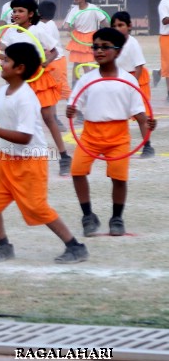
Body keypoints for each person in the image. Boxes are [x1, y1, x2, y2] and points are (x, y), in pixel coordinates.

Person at [0, 43, 88, 264]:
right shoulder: (4, 91)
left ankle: (75, 246)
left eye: (6, 61)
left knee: (37, 207)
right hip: (6, 159)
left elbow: (25, 137)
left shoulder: (25, 98)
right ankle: (3, 246)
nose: (1, 64)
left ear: (20, 68)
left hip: (30, 161)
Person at [67, 28, 154, 238]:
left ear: (118, 50)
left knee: (119, 178)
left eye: (105, 47)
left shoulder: (128, 80)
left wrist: (147, 129)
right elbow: (74, 105)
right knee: (77, 171)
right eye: (95, 47)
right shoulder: (87, 80)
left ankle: (117, 217)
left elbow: (139, 113)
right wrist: (71, 110)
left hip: (118, 136)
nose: (99, 51)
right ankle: (88, 215)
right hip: (90, 134)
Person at [0, 0, 72, 176]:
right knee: (19, 119)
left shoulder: (38, 31)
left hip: (39, 78)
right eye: (14, 11)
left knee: (48, 117)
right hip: (20, 80)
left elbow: (54, 50)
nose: (16, 14)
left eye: (20, 11)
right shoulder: (11, 33)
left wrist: (46, 62)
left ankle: (64, 156)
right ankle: (22, 156)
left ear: (31, 14)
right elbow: (11, 57)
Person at [110, 11, 155, 158]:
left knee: (141, 116)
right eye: (114, 26)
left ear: (129, 26)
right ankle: (113, 144)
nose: (117, 28)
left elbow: (139, 66)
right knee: (115, 115)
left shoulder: (132, 43)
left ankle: (147, 146)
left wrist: (132, 85)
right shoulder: (111, 44)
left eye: (121, 25)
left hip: (136, 81)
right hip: (120, 81)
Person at [63, 0, 108, 85]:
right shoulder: (74, 10)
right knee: (77, 62)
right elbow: (68, 25)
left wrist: (110, 32)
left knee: (94, 60)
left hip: (91, 37)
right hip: (78, 37)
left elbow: (104, 21)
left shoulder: (93, 8)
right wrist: (70, 29)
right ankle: (75, 83)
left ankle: (89, 81)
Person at [158, 0, 169, 100]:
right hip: (167, 37)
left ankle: (158, 72)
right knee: (168, 67)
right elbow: (165, 20)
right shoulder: (164, 2)